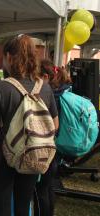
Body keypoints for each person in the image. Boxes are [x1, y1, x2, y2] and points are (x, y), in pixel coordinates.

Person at [0, 35, 59, 216]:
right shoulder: (44, 87)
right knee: (23, 206)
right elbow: (55, 125)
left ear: (9, 57)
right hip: (33, 154)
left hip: (4, 157)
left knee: (2, 209)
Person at [34, 64, 72, 216]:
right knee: (48, 188)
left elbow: (52, 125)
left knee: (41, 191)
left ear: (45, 77)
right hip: (54, 149)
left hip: (45, 149)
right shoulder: (62, 92)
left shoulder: (48, 94)